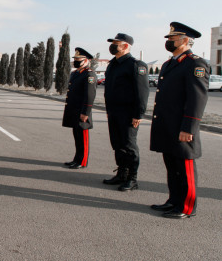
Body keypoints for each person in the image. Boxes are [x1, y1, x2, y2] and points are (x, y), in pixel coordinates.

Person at [150, 22, 209, 219]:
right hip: (168, 124)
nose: (168, 41)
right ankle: (173, 200)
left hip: (183, 126)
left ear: (185, 41)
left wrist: (189, 127)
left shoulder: (195, 64)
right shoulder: (169, 64)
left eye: (172, 39)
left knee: (184, 167)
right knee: (172, 166)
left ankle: (186, 207)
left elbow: (197, 99)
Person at [103, 33, 149, 191]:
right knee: (117, 143)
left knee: (129, 146)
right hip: (114, 112)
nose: (113, 45)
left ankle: (132, 178)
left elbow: (142, 93)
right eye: (113, 42)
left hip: (129, 113)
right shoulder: (112, 64)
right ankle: (121, 173)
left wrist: (138, 114)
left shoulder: (135, 65)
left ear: (126, 46)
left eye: (117, 43)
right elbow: (109, 90)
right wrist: (109, 110)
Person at [62, 48, 97, 169]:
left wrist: (85, 112)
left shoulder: (89, 74)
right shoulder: (75, 73)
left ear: (86, 61)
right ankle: (76, 159)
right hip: (74, 110)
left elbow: (90, 95)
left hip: (82, 112)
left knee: (83, 138)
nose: (76, 61)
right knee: (77, 136)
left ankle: (82, 161)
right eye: (75, 59)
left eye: (78, 59)